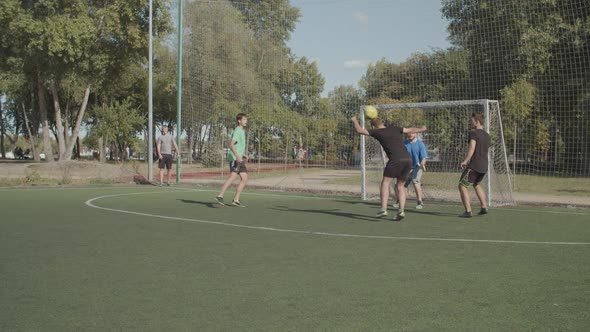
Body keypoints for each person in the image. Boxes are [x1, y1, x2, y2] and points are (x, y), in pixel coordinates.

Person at [351, 116, 427, 221]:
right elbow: (410, 129)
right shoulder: (395, 128)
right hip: (407, 160)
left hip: (395, 159)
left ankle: (383, 209)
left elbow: (359, 130)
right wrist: (421, 129)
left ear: (373, 126)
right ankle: (401, 211)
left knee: (385, 182)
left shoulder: (377, 132)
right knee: (401, 186)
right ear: (382, 123)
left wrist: (354, 120)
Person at [458, 113, 490, 218]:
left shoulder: (473, 133)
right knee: (476, 184)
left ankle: (468, 211)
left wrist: (465, 161)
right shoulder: (487, 135)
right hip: (484, 165)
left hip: (475, 165)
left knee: (462, 185)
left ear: (477, 121)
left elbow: (472, 148)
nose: (471, 123)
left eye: (472, 121)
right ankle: (484, 207)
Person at [216, 113, 249, 207]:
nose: (246, 121)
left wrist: (243, 154)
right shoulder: (238, 131)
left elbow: (237, 146)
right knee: (233, 177)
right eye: (244, 119)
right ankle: (220, 195)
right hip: (235, 159)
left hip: (238, 158)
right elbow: (231, 144)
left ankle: (236, 199)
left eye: (246, 120)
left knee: (244, 178)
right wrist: (237, 156)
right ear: (239, 121)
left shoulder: (241, 131)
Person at [393, 132, 428, 209]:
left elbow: (424, 157)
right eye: (409, 133)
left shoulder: (420, 144)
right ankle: (399, 201)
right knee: (399, 184)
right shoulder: (404, 143)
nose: (410, 135)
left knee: (415, 181)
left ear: (415, 134)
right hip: (405, 167)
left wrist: (422, 163)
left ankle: (420, 202)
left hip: (417, 167)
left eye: (412, 133)